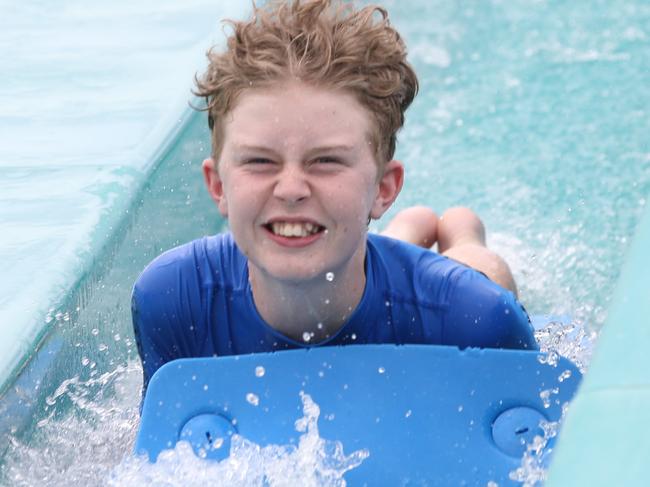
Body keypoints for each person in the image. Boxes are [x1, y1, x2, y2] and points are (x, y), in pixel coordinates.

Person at [131, 0, 537, 393]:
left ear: (383, 188)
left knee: (476, 275)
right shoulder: (175, 301)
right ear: (218, 186)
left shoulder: (475, 320)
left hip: (435, 289)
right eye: (259, 161)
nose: (290, 189)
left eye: (325, 161)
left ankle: (462, 233)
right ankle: (403, 236)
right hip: (357, 252)